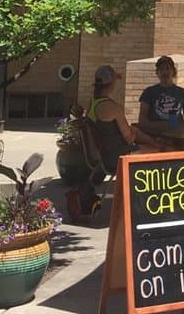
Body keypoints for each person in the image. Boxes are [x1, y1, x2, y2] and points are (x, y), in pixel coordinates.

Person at [69, 64, 164, 219]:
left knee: (143, 138)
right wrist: (137, 134)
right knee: (160, 152)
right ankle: (152, 201)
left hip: (102, 156)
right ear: (111, 84)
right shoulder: (113, 108)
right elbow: (129, 138)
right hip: (116, 157)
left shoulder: (93, 103)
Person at [138, 55, 184, 129]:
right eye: (161, 69)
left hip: (175, 131)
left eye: (167, 69)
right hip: (154, 131)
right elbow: (142, 119)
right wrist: (155, 127)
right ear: (157, 72)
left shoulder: (183, 93)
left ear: (173, 72)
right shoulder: (148, 92)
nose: (164, 72)